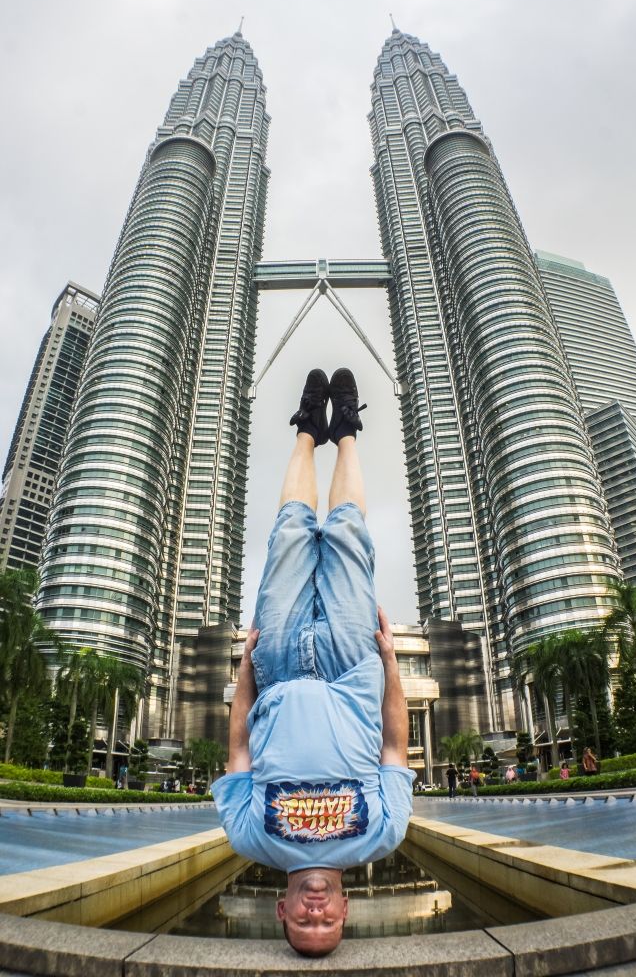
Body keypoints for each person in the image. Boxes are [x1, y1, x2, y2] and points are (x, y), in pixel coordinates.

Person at [212, 369, 415, 958]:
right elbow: (395, 748)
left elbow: (239, 751)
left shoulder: (250, 838)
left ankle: (307, 428)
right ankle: (346, 429)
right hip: (353, 668)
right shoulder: (382, 835)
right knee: (349, 533)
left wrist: (246, 673)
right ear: (347, 909)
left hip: (276, 666)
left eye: (305, 923)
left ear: (283, 909)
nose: (317, 914)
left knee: (289, 535)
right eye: (328, 925)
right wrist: (391, 665)